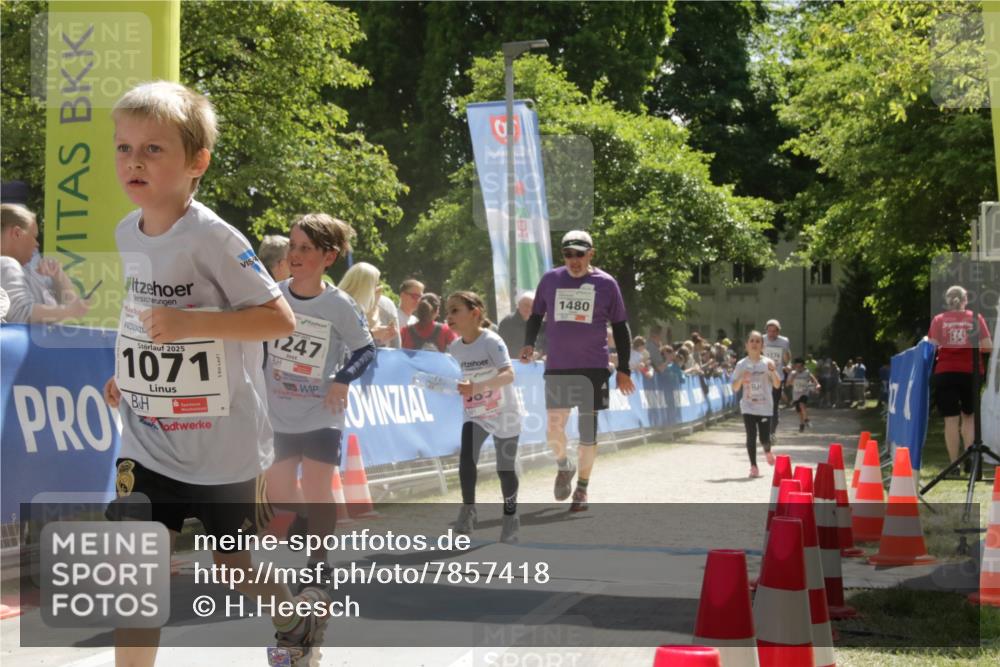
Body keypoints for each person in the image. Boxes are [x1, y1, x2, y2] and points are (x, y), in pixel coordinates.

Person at [100, 81, 325, 667]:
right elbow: (144, 316)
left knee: (233, 568)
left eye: (153, 149)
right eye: (124, 148)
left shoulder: (215, 237)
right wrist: (130, 374)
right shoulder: (127, 232)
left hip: (223, 446)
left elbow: (277, 320)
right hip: (147, 440)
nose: (134, 161)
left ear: (196, 162)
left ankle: (294, 619)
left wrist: (189, 323)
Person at [264, 214, 376, 578]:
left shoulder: (340, 305)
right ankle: (307, 517)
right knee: (278, 491)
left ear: (328, 257)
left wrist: (343, 379)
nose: (295, 255)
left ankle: (318, 562)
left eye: (305, 248)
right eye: (293, 247)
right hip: (277, 411)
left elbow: (365, 349)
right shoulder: (272, 296)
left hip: (322, 410)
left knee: (317, 485)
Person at [519, 230, 635, 511]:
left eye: (579, 254)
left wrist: (624, 368)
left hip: (593, 368)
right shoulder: (550, 279)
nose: (574, 260)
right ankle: (564, 464)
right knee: (553, 428)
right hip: (558, 366)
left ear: (591, 254)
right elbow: (536, 316)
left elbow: (620, 327)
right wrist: (528, 344)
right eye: (568, 254)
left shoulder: (606, 284)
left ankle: (582, 490)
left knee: (587, 432)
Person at [445, 290, 521, 543]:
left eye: (455, 310)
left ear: (475, 313)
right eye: (448, 311)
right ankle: (468, 511)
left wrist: (477, 387)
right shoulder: (453, 348)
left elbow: (509, 375)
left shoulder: (491, 341)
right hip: (476, 413)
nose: (449, 316)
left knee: (505, 470)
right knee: (467, 457)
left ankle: (510, 517)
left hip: (505, 412)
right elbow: (454, 380)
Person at [927, 285, 993, 463]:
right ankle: (969, 456)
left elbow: (931, 349)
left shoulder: (939, 320)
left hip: (946, 372)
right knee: (969, 416)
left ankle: (953, 462)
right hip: (970, 372)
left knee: (951, 419)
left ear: (947, 301)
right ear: (965, 300)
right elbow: (987, 346)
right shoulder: (975, 318)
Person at [1, 203, 90, 323]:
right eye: (34, 237)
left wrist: (58, 276)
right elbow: (21, 314)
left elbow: (70, 303)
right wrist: (69, 311)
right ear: (17, 233)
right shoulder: (6, 264)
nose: (36, 244)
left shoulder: (27, 270)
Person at [731, 330, 782, 478]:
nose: (754, 344)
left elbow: (777, 385)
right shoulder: (741, 364)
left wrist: (773, 372)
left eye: (757, 341)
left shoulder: (767, 363)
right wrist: (742, 378)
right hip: (748, 406)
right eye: (751, 341)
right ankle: (753, 466)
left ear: (762, 345)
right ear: (746, 345)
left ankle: (767, 451)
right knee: (751, 435)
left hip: (765, 406)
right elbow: (735, 387)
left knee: (764, 438)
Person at [338, 261, 400, 348]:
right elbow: (339, 345)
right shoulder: (339, 306)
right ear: (365, 287)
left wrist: (381, 339)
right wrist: (372, 334)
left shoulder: (358, 308)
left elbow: (363, 349)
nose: (379, 288)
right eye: (376, 284)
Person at [763, 319, 791, 439]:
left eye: (774, 331)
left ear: (778, 332)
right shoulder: (761, 339)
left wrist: (788, 365)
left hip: (777, 377)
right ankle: (764, 430)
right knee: (764, 405)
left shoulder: (784, 342)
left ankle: (772, 432)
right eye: (769, 331)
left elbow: (788, 357)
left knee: (774, 405)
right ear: (766, 331)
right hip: (763, 377)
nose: (772, 334)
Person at [498, 291, 545, 359]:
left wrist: (538, 353)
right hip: (514, 364)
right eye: (526, 305)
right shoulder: (507, 322)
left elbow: (544, 345)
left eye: (532, 306)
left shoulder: (540, 324)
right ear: (519, 304)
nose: (528, 308)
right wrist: (523, 355)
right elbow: (501, 347)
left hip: (535, 365)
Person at [788, 358, 821, 432]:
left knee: (802, 404)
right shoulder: (793, 373)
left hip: (804, 392)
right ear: (795, 366)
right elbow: (789, 383)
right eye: (797, 366)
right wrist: (794, 376)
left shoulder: (807, 372)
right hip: (796, 394)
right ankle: (802, 424)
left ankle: (806, 420)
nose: (799, 368)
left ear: (803, 366)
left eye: (800, 366)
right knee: (799, 412)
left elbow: (814, 379)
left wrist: (817, 384)